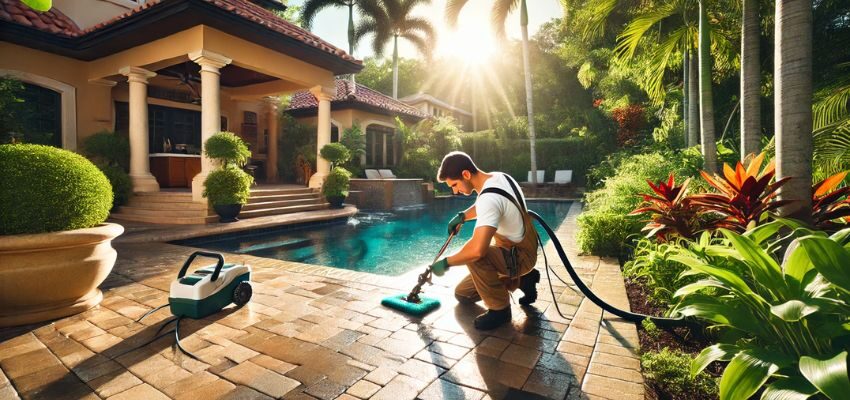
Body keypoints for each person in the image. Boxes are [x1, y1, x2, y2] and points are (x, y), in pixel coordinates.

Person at [429, 151, 540, 330]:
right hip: (523, 245)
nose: (454, 191)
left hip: (519, 256)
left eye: (455, 185)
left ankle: (500, 311)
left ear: (466, 174)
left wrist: (445, 263)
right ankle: (524, 279)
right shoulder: (498, 177)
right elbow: (487, 203)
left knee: (476, 255)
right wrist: (463, 216)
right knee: (462, 294)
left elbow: (476, 251)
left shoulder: (489, 198)